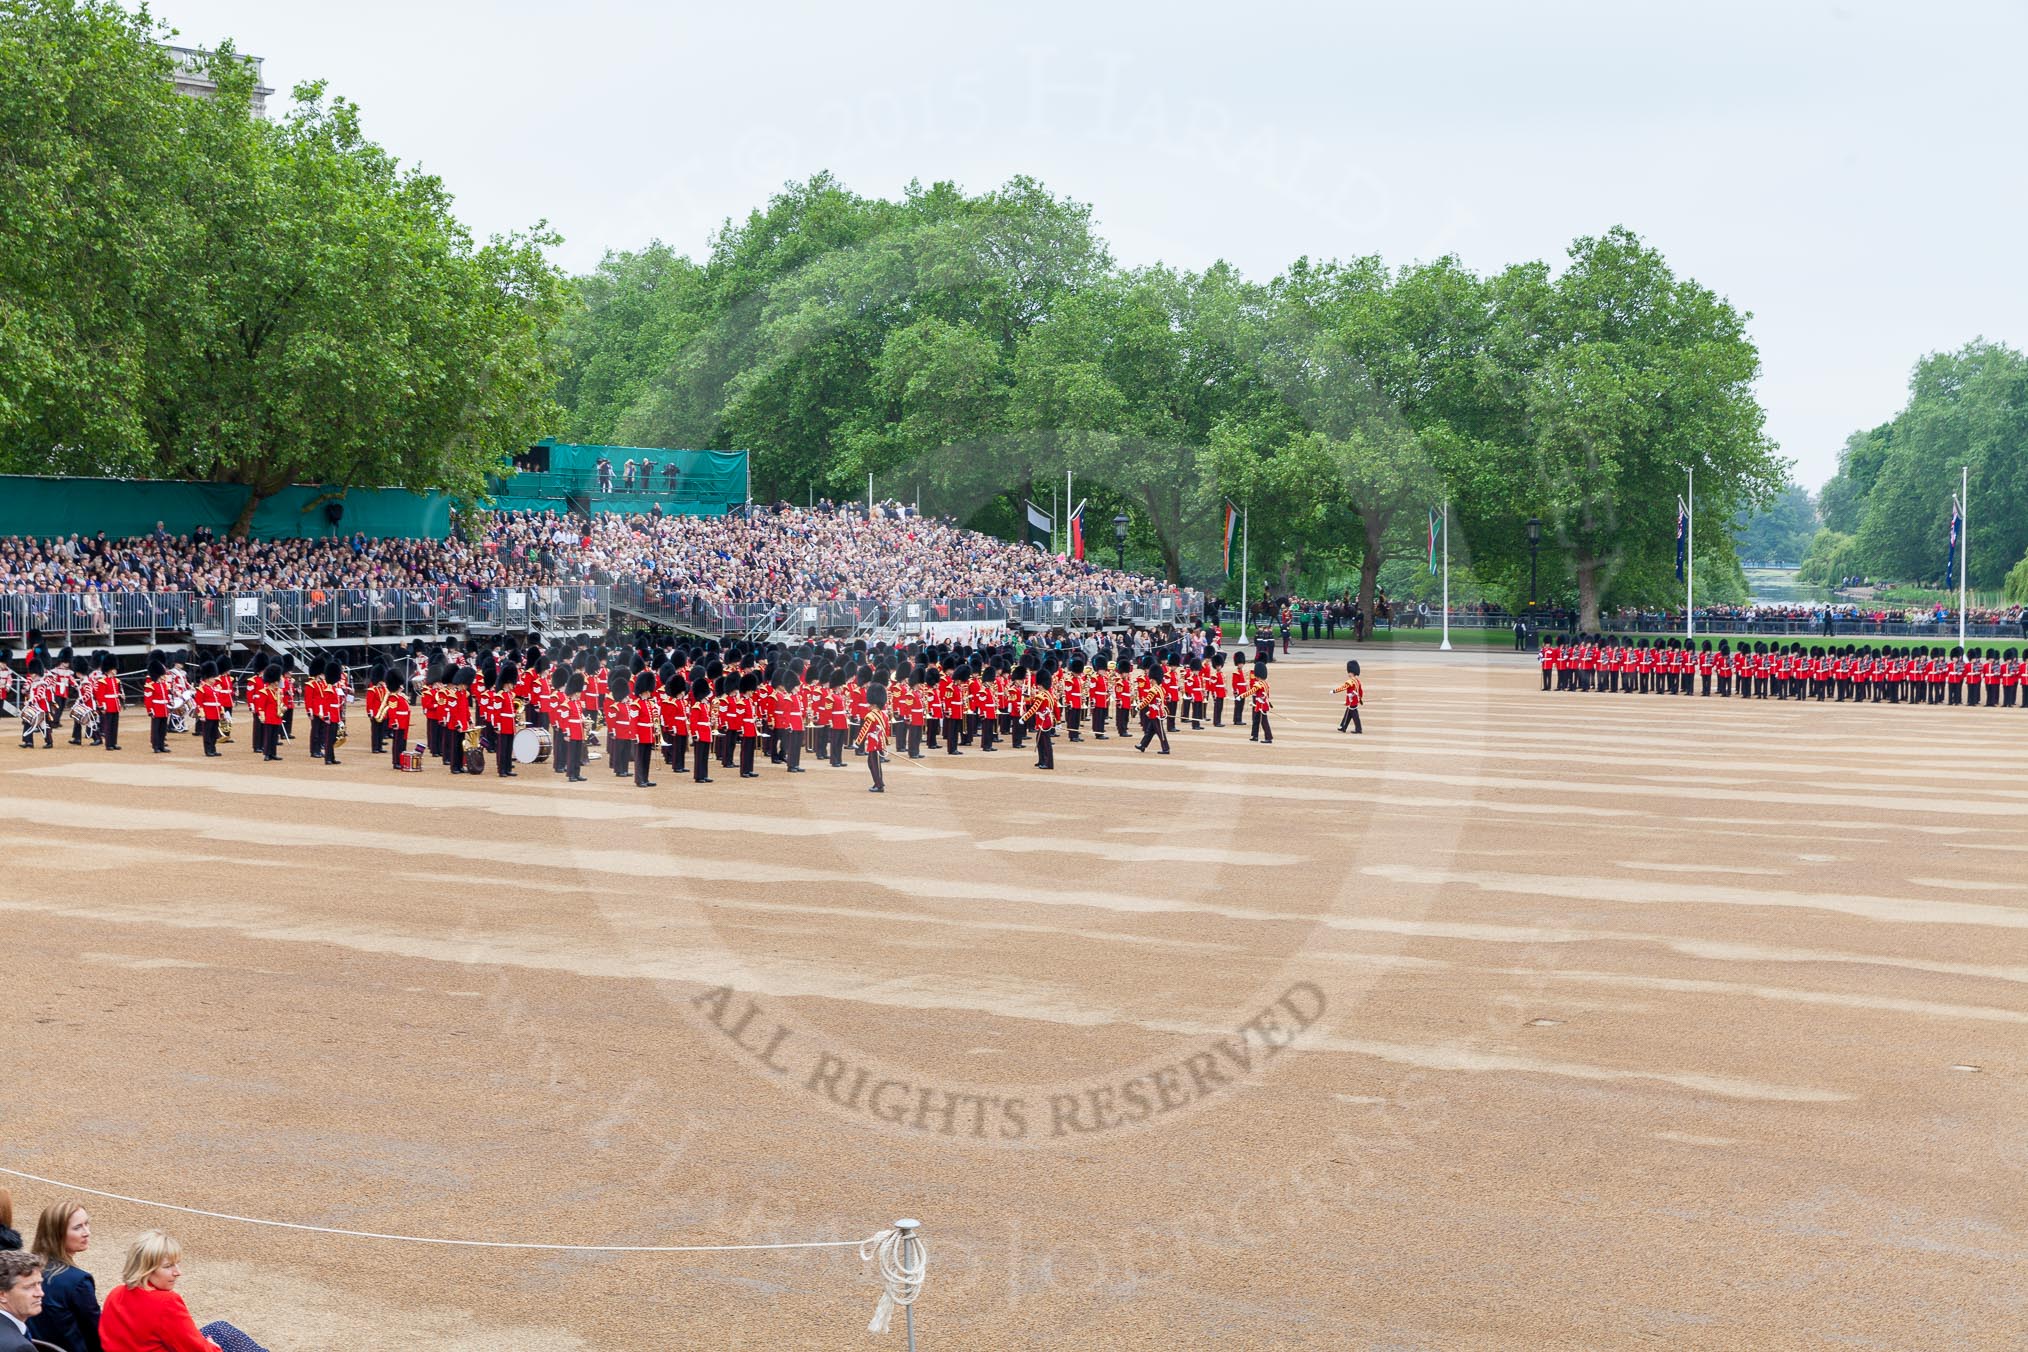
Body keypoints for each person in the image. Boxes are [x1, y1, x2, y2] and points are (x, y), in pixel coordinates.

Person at [99, 1231, 266, 1352]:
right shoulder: (165, 1302)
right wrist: (214, 1348)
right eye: (168, 1266)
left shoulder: (115, 1294)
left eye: (176, 1264)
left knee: (219, 1328)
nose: (178, 1272)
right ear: (146, 1270)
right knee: (223, 1333)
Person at [26, 1200, 99, 1352]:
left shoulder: (24, 1270)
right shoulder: (78, 1281)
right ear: (57, 1234)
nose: (87, 1232)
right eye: (77, 1227)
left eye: (87, 1224)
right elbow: (96, 1332)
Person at [0, 1250, 41, 1352]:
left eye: (39, 1283)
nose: (40, 1293)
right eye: (29, 1287)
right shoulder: (19, 1347)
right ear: (2, 1295)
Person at [858, 682, 890, 792]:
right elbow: (887, 729)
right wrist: (886, 742)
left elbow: (864, 730)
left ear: (874, 703)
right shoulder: (884, 715)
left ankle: (879, 785)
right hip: (879, 741)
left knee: (874, 764)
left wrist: (857, 743)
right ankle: (879, 782)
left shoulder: (871, 715)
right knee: (873, 763)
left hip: (873, 742)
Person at [1333, 660, 1364, 733]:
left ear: (1351, 672)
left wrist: (1334, 691)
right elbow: (1360, 691)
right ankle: (1343, 727)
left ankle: (1358, 729)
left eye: (1349, 672)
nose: (1348, 673)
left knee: (1354, 716)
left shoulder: (1350, 681)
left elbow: (1343, 688)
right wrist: (1360, 699)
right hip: (1354, 701)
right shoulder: (1357, 681)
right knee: (1348, 714)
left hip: (1351, 701)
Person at [1250, 662, 1274, 743]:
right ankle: (1254, 735)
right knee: (1256, 719)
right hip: (1258, 704)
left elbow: (1251, 692)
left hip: (1262, 705)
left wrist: (1241, 696)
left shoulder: (1260, 684)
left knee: (1264, 721)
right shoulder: (1265, 683)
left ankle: (1268, 737)